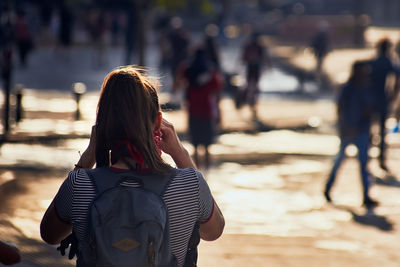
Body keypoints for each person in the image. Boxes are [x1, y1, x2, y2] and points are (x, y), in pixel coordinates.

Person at [40, 66, 225, 267]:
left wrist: (89, 155)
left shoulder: (79, 184)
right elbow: (214, 231)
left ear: (102, 125)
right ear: (158, 122)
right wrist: (180, 153)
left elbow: (49, 234)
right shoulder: (189, 184)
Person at [324, 61, 377, 208]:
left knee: (363, 165)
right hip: (348, 132)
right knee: (339, 162)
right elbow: (340, 108)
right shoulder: (347, 88)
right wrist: (343, 126)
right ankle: (328, 189)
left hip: (361, 132)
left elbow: (369, 112)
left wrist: (370, 131)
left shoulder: (366, 88)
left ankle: (366, 195)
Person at [182, 48, 224, 168]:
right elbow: (218, 89)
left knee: (195, 145)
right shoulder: (211, 72)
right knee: (207, 145)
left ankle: (197, 171)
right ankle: (207, 172)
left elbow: (180, 82)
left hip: (193, 111)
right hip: (206, 112)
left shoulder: (188, 70)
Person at [369, 38, 399, 171]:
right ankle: (381, 159)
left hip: (371, 99)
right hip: (382, 98)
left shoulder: (373, 62)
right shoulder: (388, 62)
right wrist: (393, 94)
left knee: (369, 128)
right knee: (381, 131)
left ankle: (367, 156)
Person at [240, 32, 269, 121]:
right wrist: (268, 66)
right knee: (254, 85)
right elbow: (264, 57)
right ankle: (252, 101)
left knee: (249, 85)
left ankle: (250, 100)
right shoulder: (259, 46)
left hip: (250, 68)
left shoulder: (249, 46)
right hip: (256, 68)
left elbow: (243, 58)